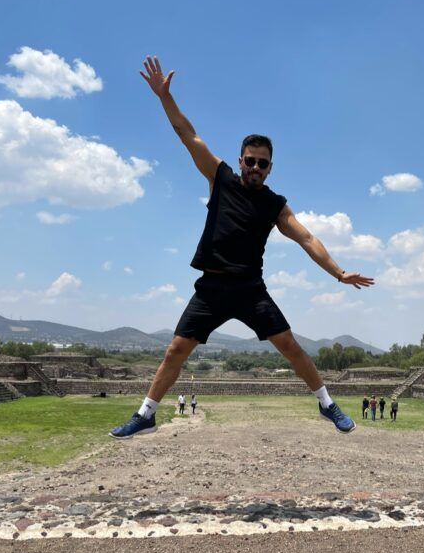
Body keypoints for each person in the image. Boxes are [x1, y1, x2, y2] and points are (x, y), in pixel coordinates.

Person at [110, 56, 374, 439]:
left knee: (290, 346)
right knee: (174, 351)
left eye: (262, 164)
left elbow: (306, 237)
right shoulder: (220, 179)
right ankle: (147, 413)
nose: (255, 167)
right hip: (212, 287)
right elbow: (187, 133)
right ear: (240, 160)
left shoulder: (274, 204)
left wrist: (338, 272)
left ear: (270, 169)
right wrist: (164, 97)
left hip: (250, 289)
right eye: (250, 161)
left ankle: (326, 403)